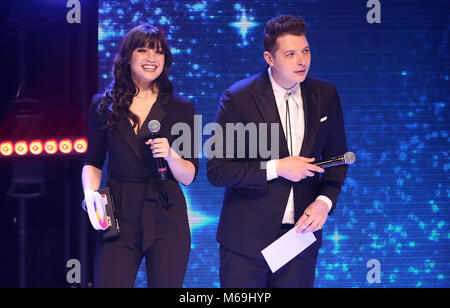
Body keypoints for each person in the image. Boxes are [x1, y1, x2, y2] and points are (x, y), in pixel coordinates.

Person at [207, 15, 349, 288]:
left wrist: (324, 202)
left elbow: (338, 159)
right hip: (245, 243)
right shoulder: (238, 97)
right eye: (290, 54)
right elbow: (218, 170)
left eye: (305, 51)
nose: (302, 61)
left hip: (300, 239)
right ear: (269, 58)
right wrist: (277, 167)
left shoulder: (325, 94)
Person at [81, 24, 198, 288]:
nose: (151, 58)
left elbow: (189, 175)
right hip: (118, 208)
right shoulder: (104, 104)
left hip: (166, 210)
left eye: (158, 52)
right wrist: (90, 195)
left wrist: (170, 155)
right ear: (127, 56)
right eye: (143, 50)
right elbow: (93, 162)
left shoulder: (181, 106)